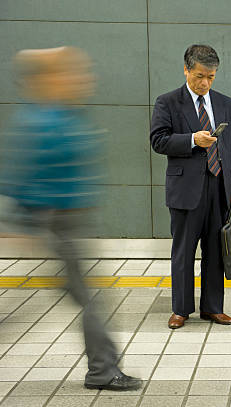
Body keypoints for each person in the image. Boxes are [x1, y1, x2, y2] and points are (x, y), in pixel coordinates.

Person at [0, 47, 141, 391]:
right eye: (73, 73)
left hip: (68, 222)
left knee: (78, 296)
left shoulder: (60, 114)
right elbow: (17, 176)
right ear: (48, 79)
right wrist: (23, 226)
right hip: (54, 222)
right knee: (89, 300)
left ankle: (103, 368)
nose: (83, 79)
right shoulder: (38, 120)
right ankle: (103, 370)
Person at [150, 44, 231, 328]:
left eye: (211, 77)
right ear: (186, 70)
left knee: (217, 251)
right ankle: (181, 309)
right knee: (184, 251)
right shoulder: (168, 102)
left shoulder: (226, 103)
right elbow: (158, 141)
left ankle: (213, 308)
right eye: (200, 76)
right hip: (185, 190)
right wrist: (192, 140)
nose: (205, 83)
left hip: (219, 187)